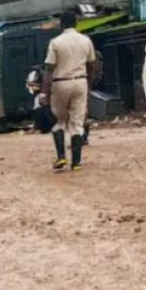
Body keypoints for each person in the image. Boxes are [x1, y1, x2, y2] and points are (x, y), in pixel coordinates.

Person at [40, 10, 96, 171]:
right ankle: (77, 163)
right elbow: (92, 65)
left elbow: (49, 69)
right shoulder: (86, 41)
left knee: (58, 120)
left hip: (61, 83)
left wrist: (45, 92)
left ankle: (61, 157)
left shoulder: (56, 42)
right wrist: (89, 84)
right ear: (76, 23)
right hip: (81, 82)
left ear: (62, 24)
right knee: (77, 122)